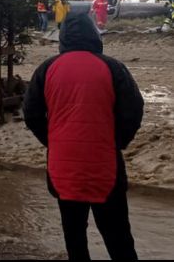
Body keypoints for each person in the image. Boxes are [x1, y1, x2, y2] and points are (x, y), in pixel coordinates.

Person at [23, 13, 143, 260]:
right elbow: (133, 111)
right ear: (93, 35)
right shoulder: (113, 67)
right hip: (105, 165)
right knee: (119, 239)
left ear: (63, 37)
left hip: (63, 168)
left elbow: (31, 113)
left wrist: (53, 141)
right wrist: (117, 142)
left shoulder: (47, 69)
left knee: (75, 239)